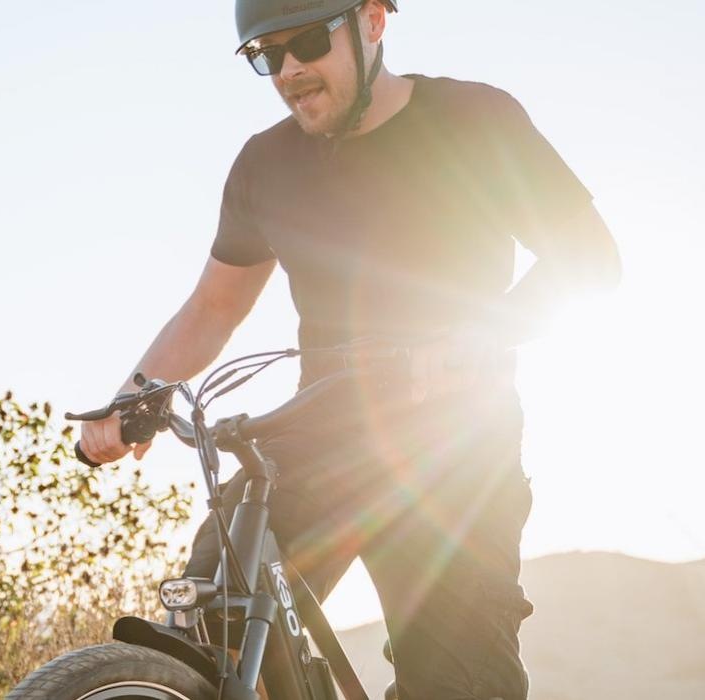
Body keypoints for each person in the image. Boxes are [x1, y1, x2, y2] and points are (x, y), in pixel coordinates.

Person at [74, 1, 621, 698]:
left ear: (372, 21)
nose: (291, 70)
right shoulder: (264, 164)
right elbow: (215, 305)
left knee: (455, 682)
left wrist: (483, 333)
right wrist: (135, 397)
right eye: (268, 56)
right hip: (320, 431)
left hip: (454, 448)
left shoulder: (475, 120)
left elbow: (591, 259)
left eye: (306, 41)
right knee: (213, 618)